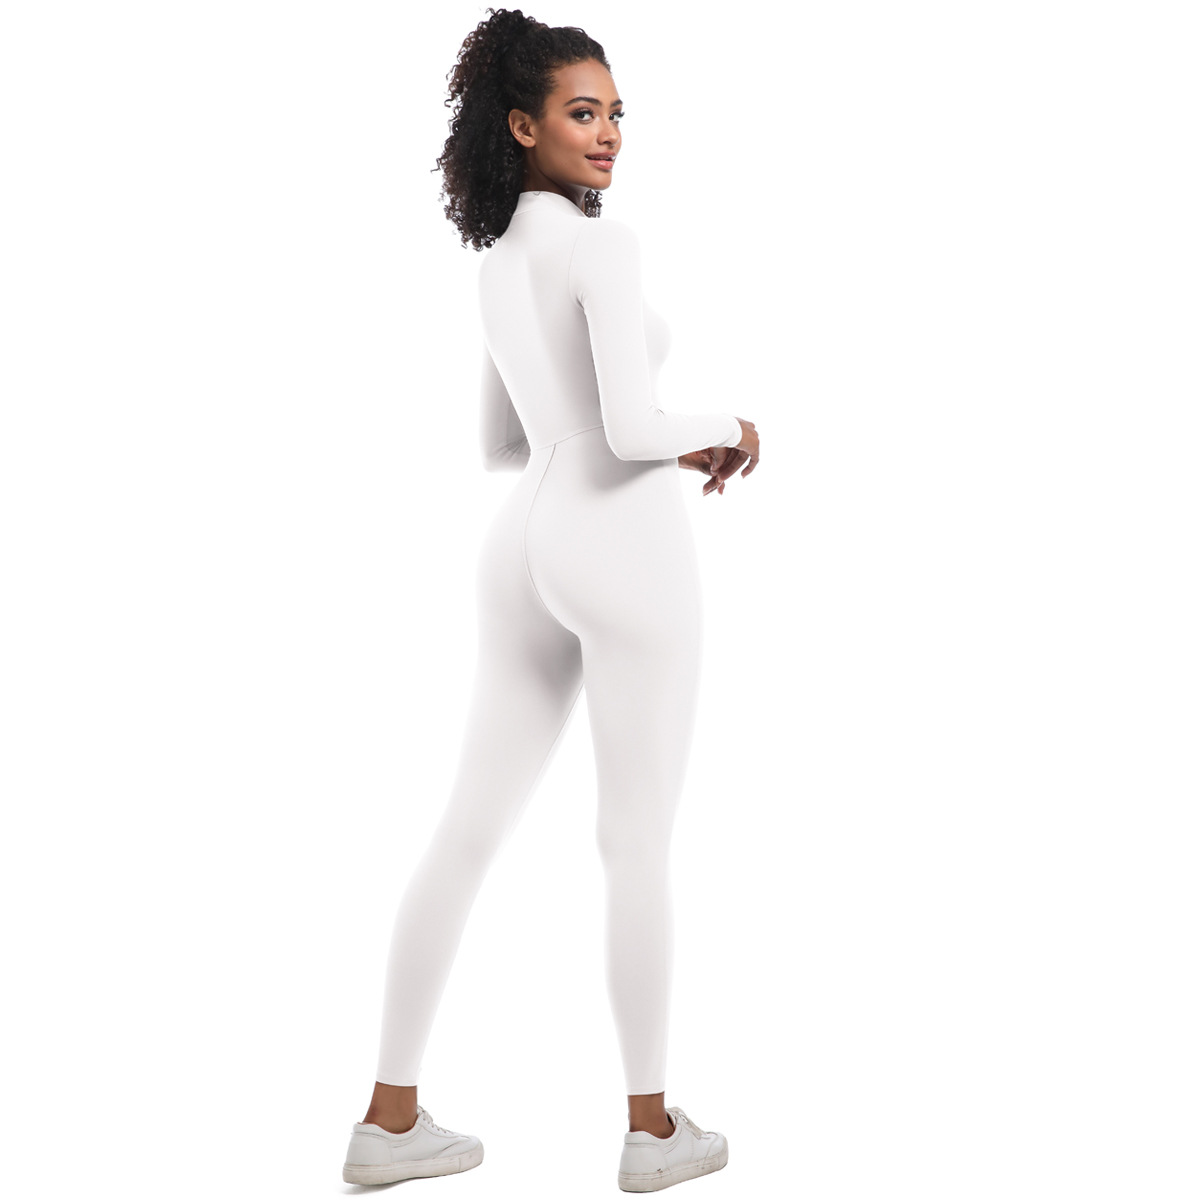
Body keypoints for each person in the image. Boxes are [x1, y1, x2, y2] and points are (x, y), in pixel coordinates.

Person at [342, 8, 758, 1192]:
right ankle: (653, 1132)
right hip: (621, 546)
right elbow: (626, 430)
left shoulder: (497, 264)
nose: (609, 133)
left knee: (466, 829)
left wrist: (645, 435)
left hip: (523, 541)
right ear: (523, 126)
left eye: (618, 113)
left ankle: (387, 1118)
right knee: (635, 840)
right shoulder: (602, 247)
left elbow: (504, 440)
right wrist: (730, 426)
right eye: (584, 113)